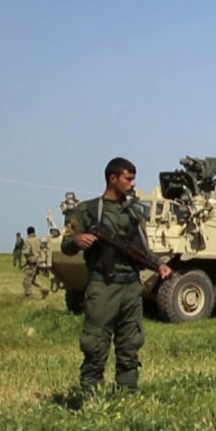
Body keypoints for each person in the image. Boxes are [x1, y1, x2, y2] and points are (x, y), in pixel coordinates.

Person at [61, 157, 173, 394]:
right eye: (128, 178)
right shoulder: (89, 210)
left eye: (133, 178)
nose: (133, 183)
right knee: (96, 342)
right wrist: (77, 240)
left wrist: (159, 265)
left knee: (130, 343)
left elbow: (141, 251)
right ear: (113, 179)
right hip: (104, 285)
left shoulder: (134, 213)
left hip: (131, 286)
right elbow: (66, 243)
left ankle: (127, 394)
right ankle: (91, 395)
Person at [22, 226, 50, 299]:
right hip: (39, 261)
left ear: (28, 232)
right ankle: (44, 288)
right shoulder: (38, 240)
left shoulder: (28, 241)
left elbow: (26, 252)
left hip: (32, 262)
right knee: (33, 279)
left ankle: (28, 295)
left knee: (27, 280)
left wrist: (27, 257)